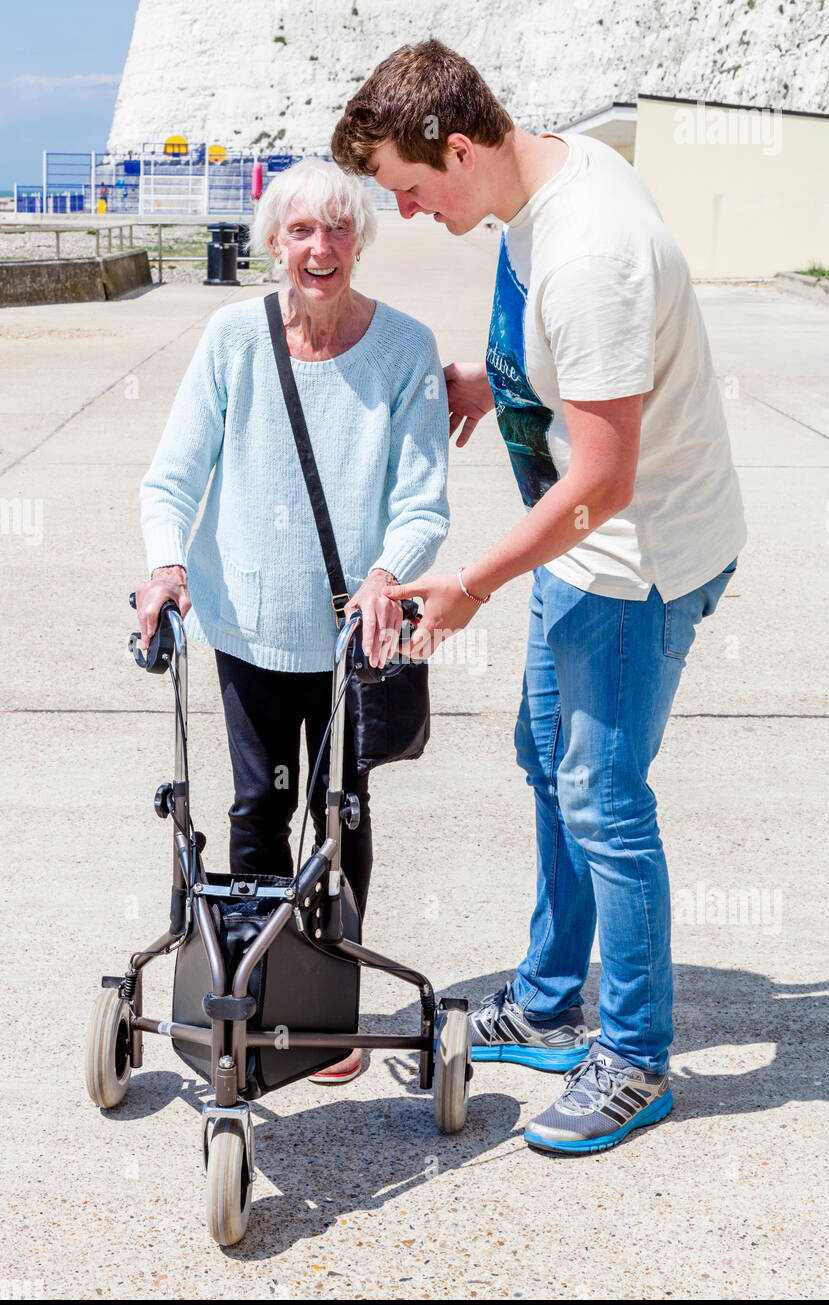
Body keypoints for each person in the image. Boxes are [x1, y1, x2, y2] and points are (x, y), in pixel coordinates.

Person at [333, 40, 746, 1148]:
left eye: (411, 191)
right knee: (544, 759)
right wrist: (492, 377)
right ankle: (552, 995)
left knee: (603, 798)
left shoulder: (589, 253)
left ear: (458, 148)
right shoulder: (541, 178)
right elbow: (568, 356)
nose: (409, 215)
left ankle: (633, 1057)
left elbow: (604, 481)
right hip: (578, 553)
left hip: (632, 559)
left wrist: (466, 579)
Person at [135, 157, 449, 1083]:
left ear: (361, 241)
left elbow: (422, 499)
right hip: (247, 629)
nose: (321, 249)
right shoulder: (234, 339)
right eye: (302, 231)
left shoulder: (404, 349)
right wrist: (165, 561)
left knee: (343, 815)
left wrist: (393, 573)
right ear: (274, 242)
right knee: (257, 811)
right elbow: (175, 473)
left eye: (339, 230)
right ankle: (262, 992)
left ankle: (332, 998)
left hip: (354, 641)